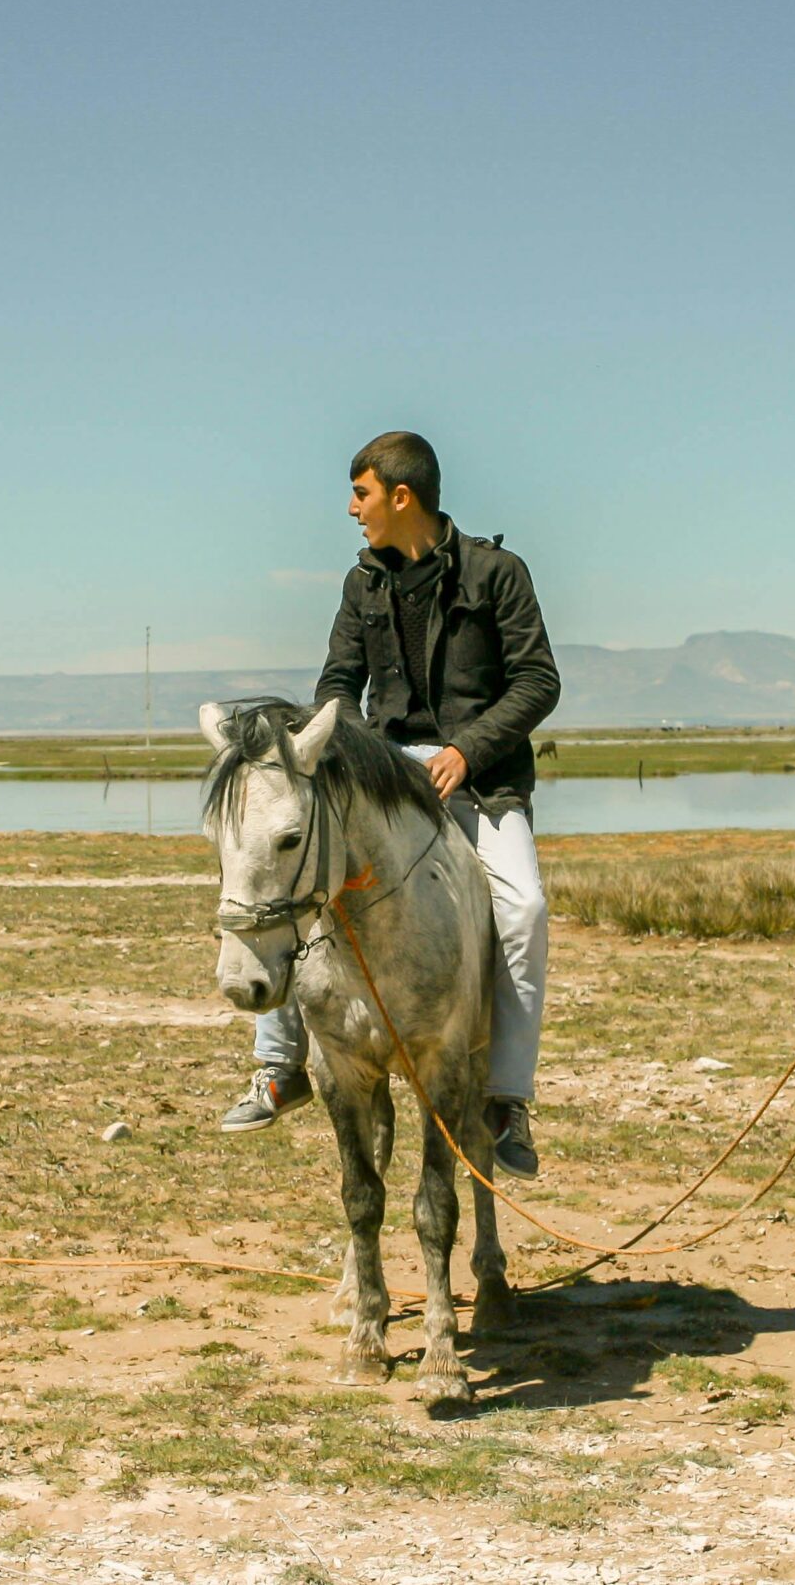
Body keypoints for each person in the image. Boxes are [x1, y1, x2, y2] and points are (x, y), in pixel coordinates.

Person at [217, 431, 560, 1180]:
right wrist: (351, 753)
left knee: (525, 908)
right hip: (380, 773)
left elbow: (538, 682)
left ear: (402, 497)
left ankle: (506, 1100)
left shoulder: (499, 574)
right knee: (290, 868)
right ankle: (280, 1069)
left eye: (362, 495)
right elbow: (337, 683)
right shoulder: (360, 583)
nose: (353, 509)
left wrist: (466, 748)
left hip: (481, 779)